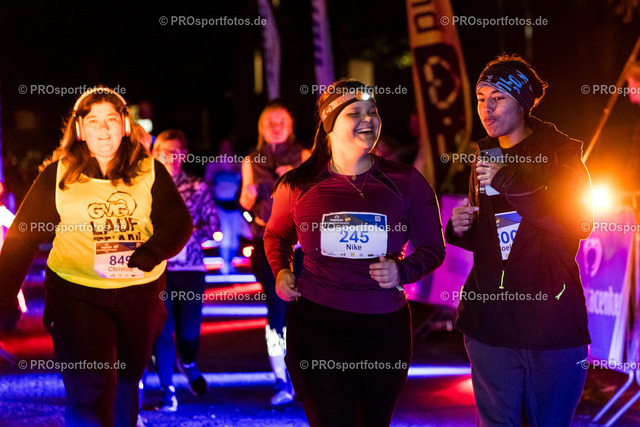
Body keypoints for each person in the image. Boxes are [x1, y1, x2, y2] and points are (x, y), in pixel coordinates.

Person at [0, 87, 192, 426]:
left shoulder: (149, 171)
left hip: (140, 297)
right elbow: (21, 238)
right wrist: (3, 299)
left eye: (111, 120)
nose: (103, 129)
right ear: (79, 129)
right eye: (93, 121)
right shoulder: (58, 175)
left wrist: (153, 251)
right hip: (76, 296)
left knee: (126, 382)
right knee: (90, 390)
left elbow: (178, 223)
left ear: (125, 126)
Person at [264, 79, 446, 426]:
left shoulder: (406, 181)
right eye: (355, 113)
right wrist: (282, 270)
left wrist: (402, 271)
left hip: (384, 327)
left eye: (373, 111)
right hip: (319, 323)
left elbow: (433, 248)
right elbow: (275, 234)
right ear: (329, 123)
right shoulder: (298, 184)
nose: (368, 119)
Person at [446, 54, 593, 426]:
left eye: (498, 98)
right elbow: (502, 238)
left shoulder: (560, 155)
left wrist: (508, 180)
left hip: (551, 327)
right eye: (481, 98)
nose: (487, 108)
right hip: (489, 326)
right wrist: (462, 228)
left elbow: (576, 223)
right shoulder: (486, 155)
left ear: (523, 103)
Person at [240, 101, 310, 406]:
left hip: (301, 244)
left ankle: (302, 373)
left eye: (282, 121)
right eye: (270, 121)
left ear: (291, 125)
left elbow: (317, 193)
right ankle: (280, 378)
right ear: (261, 127)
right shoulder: (252, 159)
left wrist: (295, 176)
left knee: (302, 310)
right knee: (276, 309)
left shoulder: (304, 155)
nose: (276, 126)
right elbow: (244, 202)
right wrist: (248, 196)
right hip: (266, 241)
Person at [150, 129, 219, 411]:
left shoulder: (197, 187)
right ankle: (168, 391)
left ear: (185, 154)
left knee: (189, 335)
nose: (171, 157)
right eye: (165, 152)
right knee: (163, 331)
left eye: (177, 151)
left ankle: (188, 362)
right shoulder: (146, 188)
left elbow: (213, 227)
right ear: (154, 155)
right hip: (158, 270)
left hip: (190, 269)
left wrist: (187, 238)